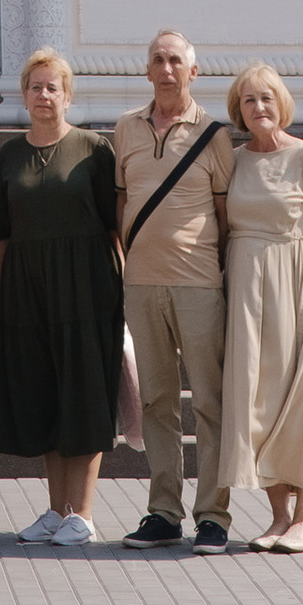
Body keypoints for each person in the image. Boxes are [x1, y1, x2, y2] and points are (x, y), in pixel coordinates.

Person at [0, 46, 121, 548]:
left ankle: (82, 513)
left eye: (52, 87)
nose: (43, 95)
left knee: (84, 392)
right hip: (27, 285)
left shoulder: (94, 149)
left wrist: (120, 289)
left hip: (86, 284)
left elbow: (115, 226)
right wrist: (4, 291)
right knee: (42, 390)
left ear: (68, 95)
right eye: (35, 87)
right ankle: (55, 509)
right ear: (23, 94)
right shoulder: (8, 155)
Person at [114, 30, 236, 553]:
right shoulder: (125, 129)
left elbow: (227, 216)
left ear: (193, 71)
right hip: (141, 285)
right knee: (157, 401)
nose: (167, 70)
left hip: (198, 285)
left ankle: (213, 515)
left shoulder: (214, 135)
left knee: (209, 401)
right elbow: (120, 204)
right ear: (147, 71)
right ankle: (164, 511)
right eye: (158, 61)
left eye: (176, 62)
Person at [215, 64, 303, 556]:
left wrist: (300, 275)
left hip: (297, 283)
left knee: (301, 399)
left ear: (282, 103)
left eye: (267, 98)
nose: (259, 108)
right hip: (246, 285)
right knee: (257, 394)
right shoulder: (235, 160)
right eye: (249, 101)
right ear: (238, 110)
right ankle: (279, 517)